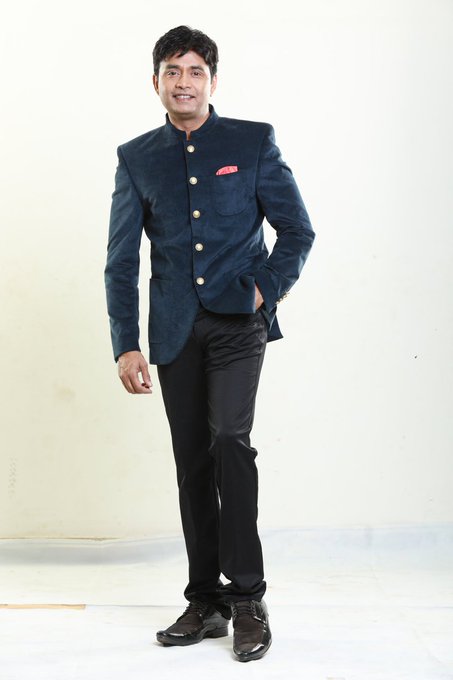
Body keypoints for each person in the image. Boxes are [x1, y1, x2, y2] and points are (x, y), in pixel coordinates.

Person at [104, 25, 315, 662]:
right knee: (192, 460)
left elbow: (297, 230)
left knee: (230, 441)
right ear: (156, 82)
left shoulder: (251, 141)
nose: (184, 82)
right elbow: (121, 260)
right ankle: (205, 601)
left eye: (195, 71)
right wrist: (125, 343)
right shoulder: (137, 157)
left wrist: (263, 291)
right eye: (172, 71)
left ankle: (248, 596)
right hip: (173, 330)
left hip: (237, 325)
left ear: (212, 81)